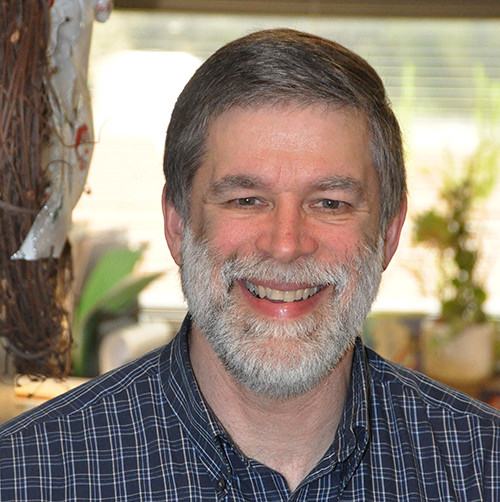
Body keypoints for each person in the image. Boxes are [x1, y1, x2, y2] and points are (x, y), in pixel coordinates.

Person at [1, 28, 499, 501]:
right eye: (245, 200)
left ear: (388, 233)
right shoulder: (26, 475)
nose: (286, 244)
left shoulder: (484, 467)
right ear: (177, 225)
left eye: (330, 203)